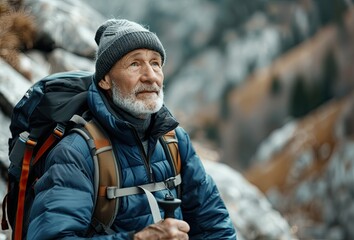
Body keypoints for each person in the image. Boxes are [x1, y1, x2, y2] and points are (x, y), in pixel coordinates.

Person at [27, 19, 236, 239]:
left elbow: (214, 224)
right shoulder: (76, 152)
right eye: (135, 64)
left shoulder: (174, 140)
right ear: (105, 80)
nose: (150, 76)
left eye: (155, 63)